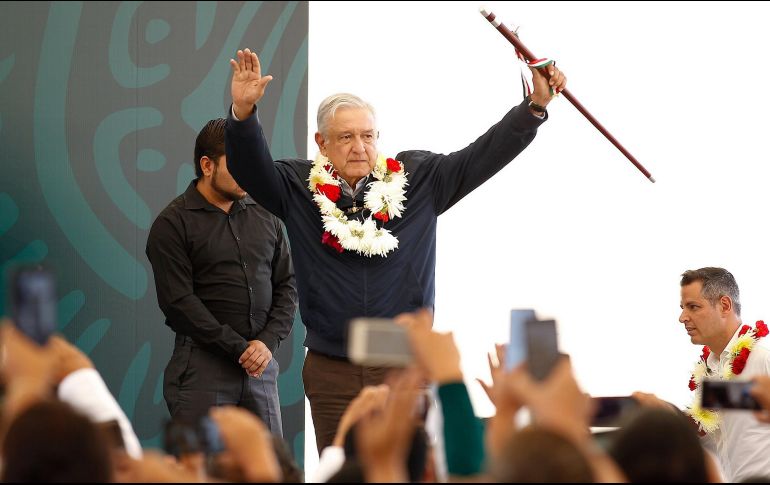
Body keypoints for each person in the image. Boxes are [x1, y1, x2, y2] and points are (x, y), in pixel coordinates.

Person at [224, 47, 567, 452]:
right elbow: (250, 169)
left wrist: (534, 107)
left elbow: (482, 156)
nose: (359, 147)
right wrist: (243, 114)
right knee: (342, 471)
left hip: (405, 366)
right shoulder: (297, 186)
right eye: (346, 137)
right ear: (321, 142)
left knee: (408, 469)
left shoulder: (420, 179)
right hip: (331, 369)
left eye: (367, 136)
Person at [146, 118, 297, 436]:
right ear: (207, 165)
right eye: (238, 164)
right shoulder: (172, 224)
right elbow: (179, 303)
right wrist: (238, 348)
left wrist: (266, 343)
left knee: (268, 463)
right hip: (202, 366)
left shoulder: (266, 215)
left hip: (260, 367)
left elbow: (287, 284)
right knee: (201, 463)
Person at [670, 267, 770, 481]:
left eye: (693, 307)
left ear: (724, 305)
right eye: (682, 308)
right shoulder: (708, 370)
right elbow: (714, 436)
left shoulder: (763, 358)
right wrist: (665, 417)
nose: (682, 317)